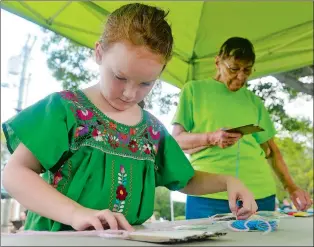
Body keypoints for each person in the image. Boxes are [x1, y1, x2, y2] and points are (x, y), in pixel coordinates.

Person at [2, 4, 257, 232]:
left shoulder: (152, 130)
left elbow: (185, 178)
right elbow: (15, 173)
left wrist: (228, 180)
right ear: (99, 53)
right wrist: (75, 213)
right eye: (120, 76)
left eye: (146, 83)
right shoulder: (65, 110)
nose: (129, 93)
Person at [172, 37, 312, 219]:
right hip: (208, 195)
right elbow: (176, 141)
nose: (241, 76)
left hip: (259, 194)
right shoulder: (193, 91)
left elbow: (272, 151)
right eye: (234, 69)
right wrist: (212, 137)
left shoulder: (254, 102)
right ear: (217, 62)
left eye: (247, 70)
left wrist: (291, 187)